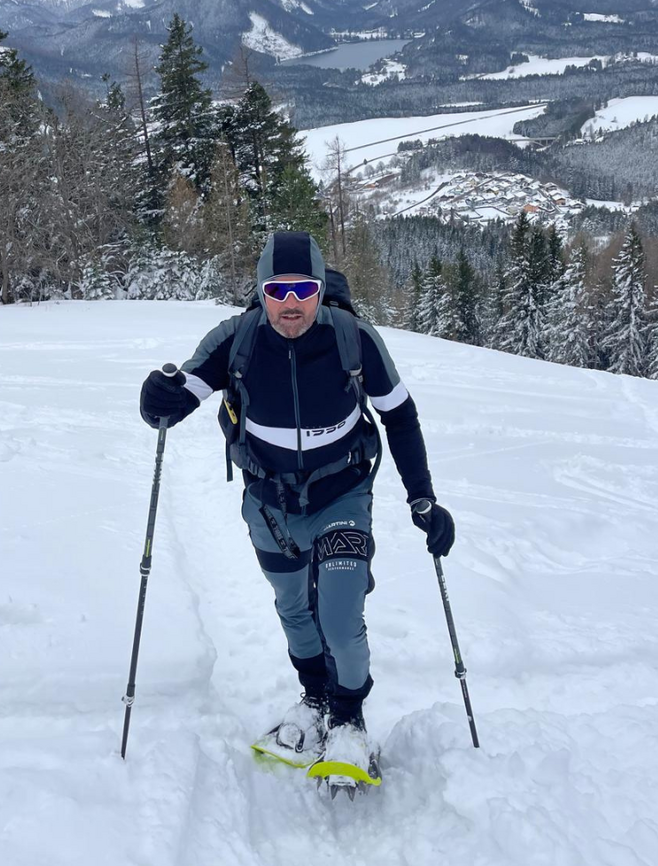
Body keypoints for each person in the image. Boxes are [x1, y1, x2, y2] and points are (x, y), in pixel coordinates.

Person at [139, 231, 454, 778]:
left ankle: (349, 718)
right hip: (268, 503)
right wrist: (157, 399)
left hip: (342, 493)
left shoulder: (354, 339)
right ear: (261, 291)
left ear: (319, 290)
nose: (290, 304)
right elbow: (181, 392)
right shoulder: (237, 339)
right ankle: (315, 698)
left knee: (337, 612)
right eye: (277, 291)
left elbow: (400, 417)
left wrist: (423, 498)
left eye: (303, 290)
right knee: (293, 608)